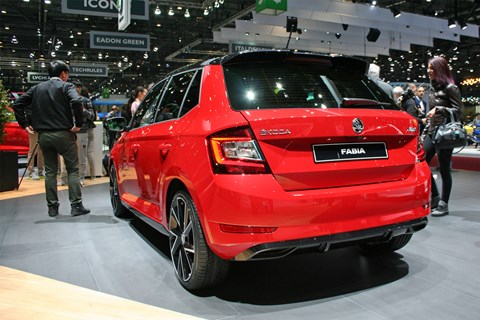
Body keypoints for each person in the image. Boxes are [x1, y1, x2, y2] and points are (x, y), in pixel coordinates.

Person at [13, 60, 90, 218]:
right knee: (73, 170)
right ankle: (76, 206)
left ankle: (52, 208)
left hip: (44, 136)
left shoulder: (37, 88)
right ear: (63, 74)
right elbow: (76, 100)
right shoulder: (66, 86)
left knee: (50, 172)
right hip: (64, 134)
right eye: (67, 74)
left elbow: (18, 104)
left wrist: (24, 123)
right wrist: (79, 123)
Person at [424, 56, 464, 217]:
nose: (428, 71)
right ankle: (435, 196)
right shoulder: (433, 88)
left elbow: (459, 111)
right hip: (432, 131)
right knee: (422, 163)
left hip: (445, 133)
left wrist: (440, 109)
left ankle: (444, 203)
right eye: (428, 68)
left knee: (444, 169)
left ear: (439, 69)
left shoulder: (451, 88)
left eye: (432, 68)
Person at [76, 85, 97, 185]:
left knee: (85, 154)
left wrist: (82, 110)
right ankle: (92, 175)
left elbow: (92, 116)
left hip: (83, 130)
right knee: (87, 153)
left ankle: (84, 176)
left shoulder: (85, 101)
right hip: (73, 130)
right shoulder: (67, 99)